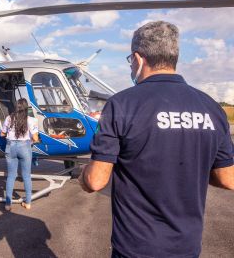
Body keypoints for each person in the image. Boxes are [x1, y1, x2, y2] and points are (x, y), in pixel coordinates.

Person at [79, 21, 234, 258]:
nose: (131, 67)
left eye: (131, 61)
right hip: (187, 247)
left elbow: (95, 182)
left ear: (139, 59)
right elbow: (227, 178)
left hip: (135, 248)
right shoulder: (211, 107)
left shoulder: (121, 104)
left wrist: (82, 175)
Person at [0, 98, 39, 211]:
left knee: (11, 176)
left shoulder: (9, 118)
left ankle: (8, 204)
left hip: (10, 147)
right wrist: (30, 142)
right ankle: (28, 203)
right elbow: (36, 138)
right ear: (26, 108)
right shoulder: (31, 120)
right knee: (26, 176)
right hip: (24, 147)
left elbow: (2, 134)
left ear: (16, 107)